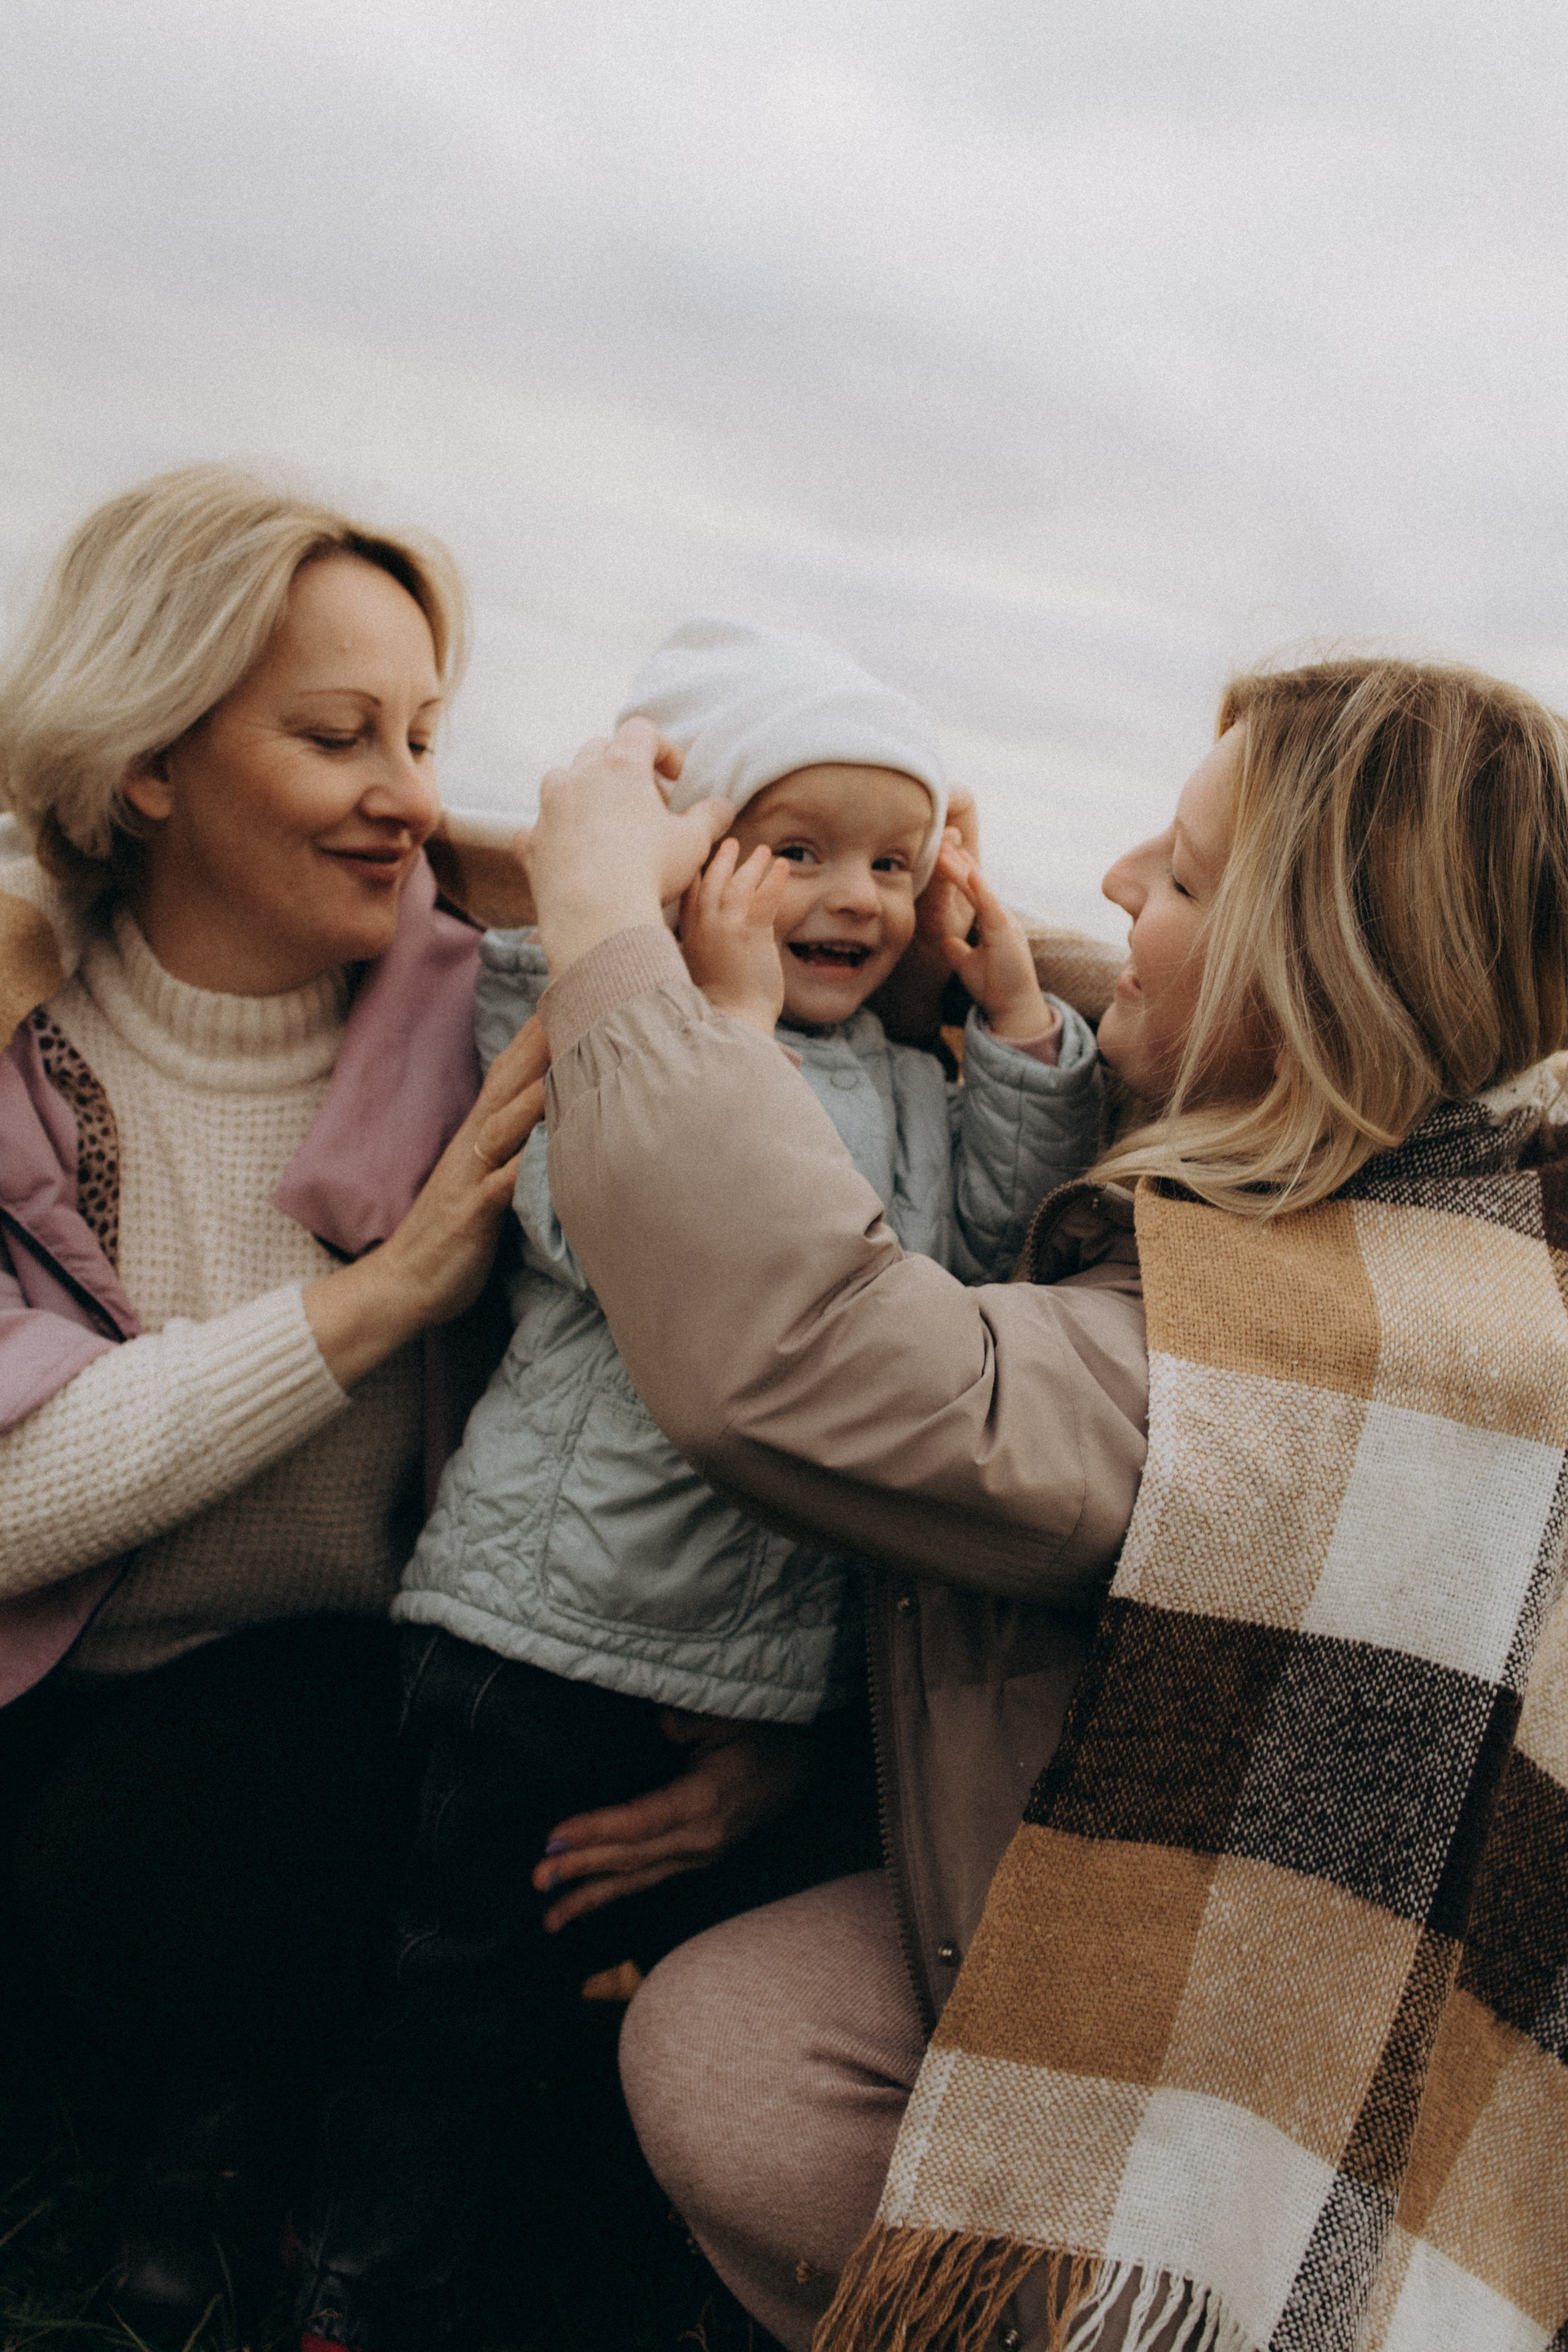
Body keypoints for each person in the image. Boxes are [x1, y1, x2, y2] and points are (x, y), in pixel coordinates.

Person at [515, 663, 1568, 2352]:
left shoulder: (1298, 1371)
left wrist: (600, 931)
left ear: (1308, 973)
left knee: (720, 2065)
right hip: (1319, 1948)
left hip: (1330, 2063)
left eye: (1187, 874)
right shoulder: (1474, 1210)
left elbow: (809, 1357)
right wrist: (1016, 988)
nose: (1115, 883)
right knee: (738, 2031)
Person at [0, 470, 763, 2335]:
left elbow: (708, 1359)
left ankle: (220, 2148)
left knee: (314, 1762)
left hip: (358, 1745)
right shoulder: (13, 1042)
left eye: (425, 736)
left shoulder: (492, 1028)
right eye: (338, 736)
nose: (410, 794)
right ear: (152, 760)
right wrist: (381, 1299)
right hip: (47, 1721)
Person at [293, 615, 1107, 2351]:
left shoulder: (903, 1073)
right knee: (460, 1994)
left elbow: (979, 1274)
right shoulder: (580, 1008)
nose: (857, 898)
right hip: (550, 1633)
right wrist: (712, 1023)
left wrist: (1020, 1012)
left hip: (755, 1676)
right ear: (684, 850)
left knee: (622, 2016)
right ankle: (368, 2286)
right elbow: (605, 1236)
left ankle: (563, 2287)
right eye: (795, 849)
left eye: (894, 863)